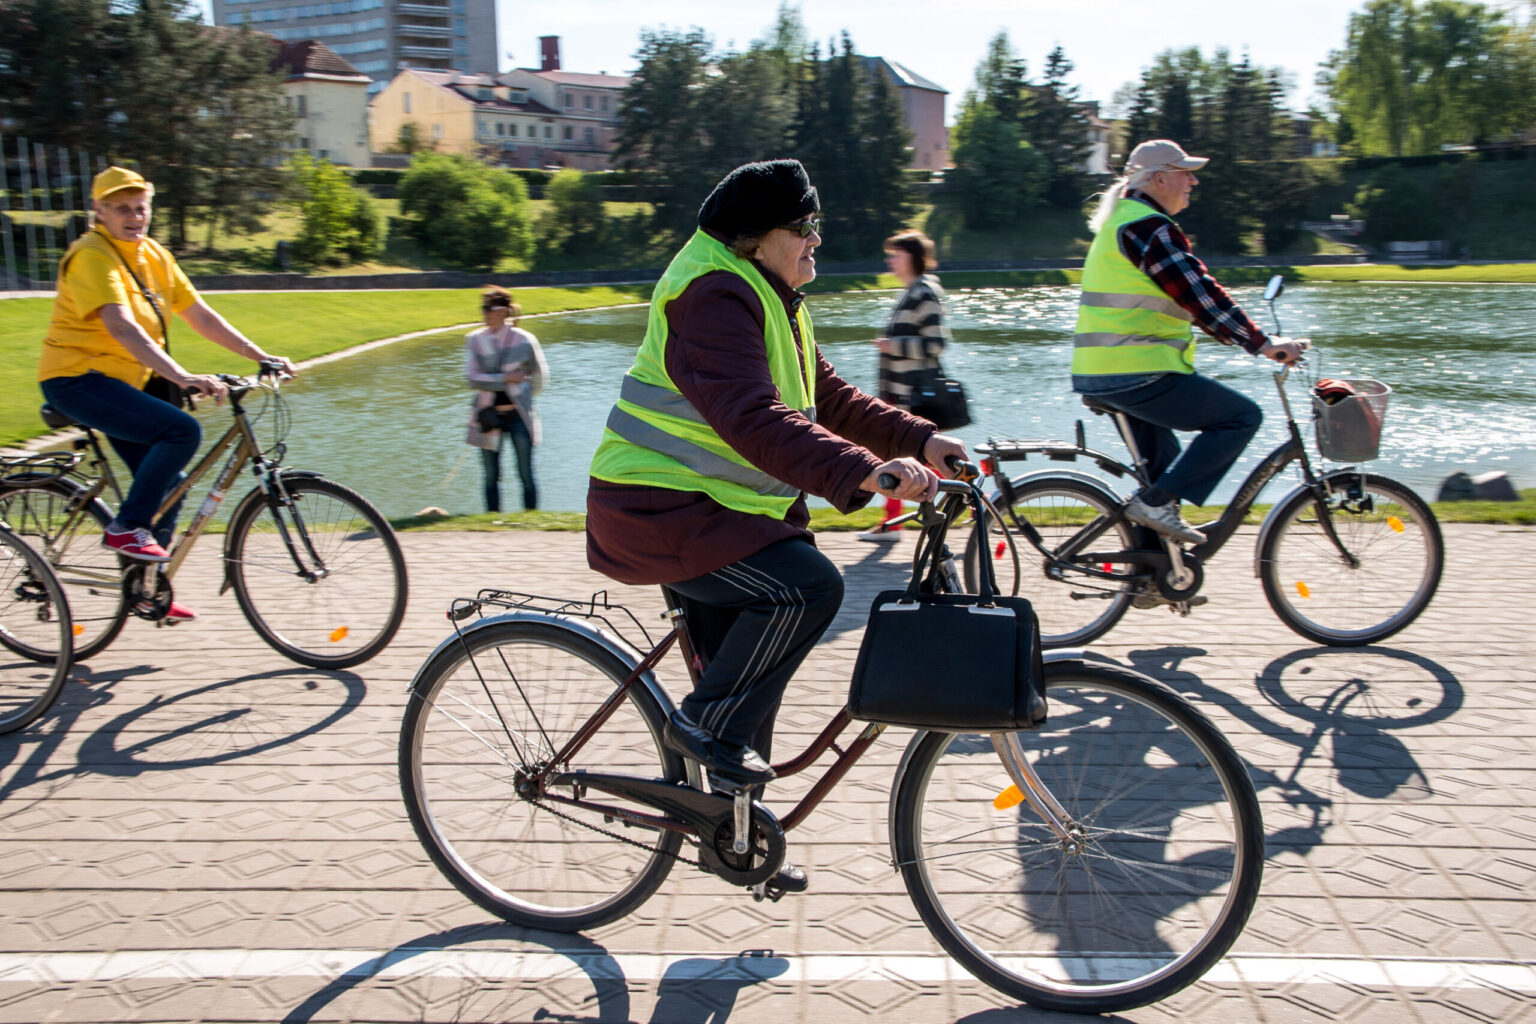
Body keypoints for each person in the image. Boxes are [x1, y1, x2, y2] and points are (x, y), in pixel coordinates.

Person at [586, 159, 967, 894]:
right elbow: (752, 419)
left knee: (750, 688)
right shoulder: (712, 295)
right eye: (805, 228)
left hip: (715, 515)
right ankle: (698, 727)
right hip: (660, 510)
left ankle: (733, 837)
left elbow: (827, 397)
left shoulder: (769, 293)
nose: (816, 241)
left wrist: (919, 441)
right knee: (805, 591)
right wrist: (865, 472)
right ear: (757, 237)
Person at [37, 166, 294, 622]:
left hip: (118, 383)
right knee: (181, 432)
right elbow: (120, 325)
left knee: (171, 485)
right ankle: (127, 527)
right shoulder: (92, 256)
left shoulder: (152, 254)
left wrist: (262, 356)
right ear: (98, 210)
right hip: (75, 380)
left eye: (140, 208)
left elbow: (200, 315)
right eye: (121, 209)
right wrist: (181, 376)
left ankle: (146, 588)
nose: (134, 217)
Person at [1073, 139, 1306, 547]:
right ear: (1158, 178)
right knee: (1240, 418)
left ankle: (1152, 576)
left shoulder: (1120, 221)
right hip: (1137, 371)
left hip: (1106, 370)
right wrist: (1262, 343)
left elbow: (1189, 304)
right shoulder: (1148, 227)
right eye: (1185, 173)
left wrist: (1238, 337)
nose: (1193, 181)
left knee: (1161, 471)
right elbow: (1200, 293)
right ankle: (1155, 506)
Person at [859, 230, 953, 542]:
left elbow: (936, 344)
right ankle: (896, 521)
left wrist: (893, 345)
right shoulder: (913, 290)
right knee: (901, 456)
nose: (891, 260)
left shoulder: (924, 292)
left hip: (913, 394)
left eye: (896, 254)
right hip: (899, 393)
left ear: (911, 257)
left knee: (913, 458)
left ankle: (899, 521)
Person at [465, 287, 547, 513]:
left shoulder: (525, 340)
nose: (484, 314)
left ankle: (531, 518)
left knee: (525, 472)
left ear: (501, 311)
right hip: (489, 416)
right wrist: (507, 378)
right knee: (491, 474)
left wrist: (522, 395)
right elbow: (471, 379)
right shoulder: (474, 340)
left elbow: (539, 377)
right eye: (483, 308)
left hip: (519, 415)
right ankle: (493, 519)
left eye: (487, 309)